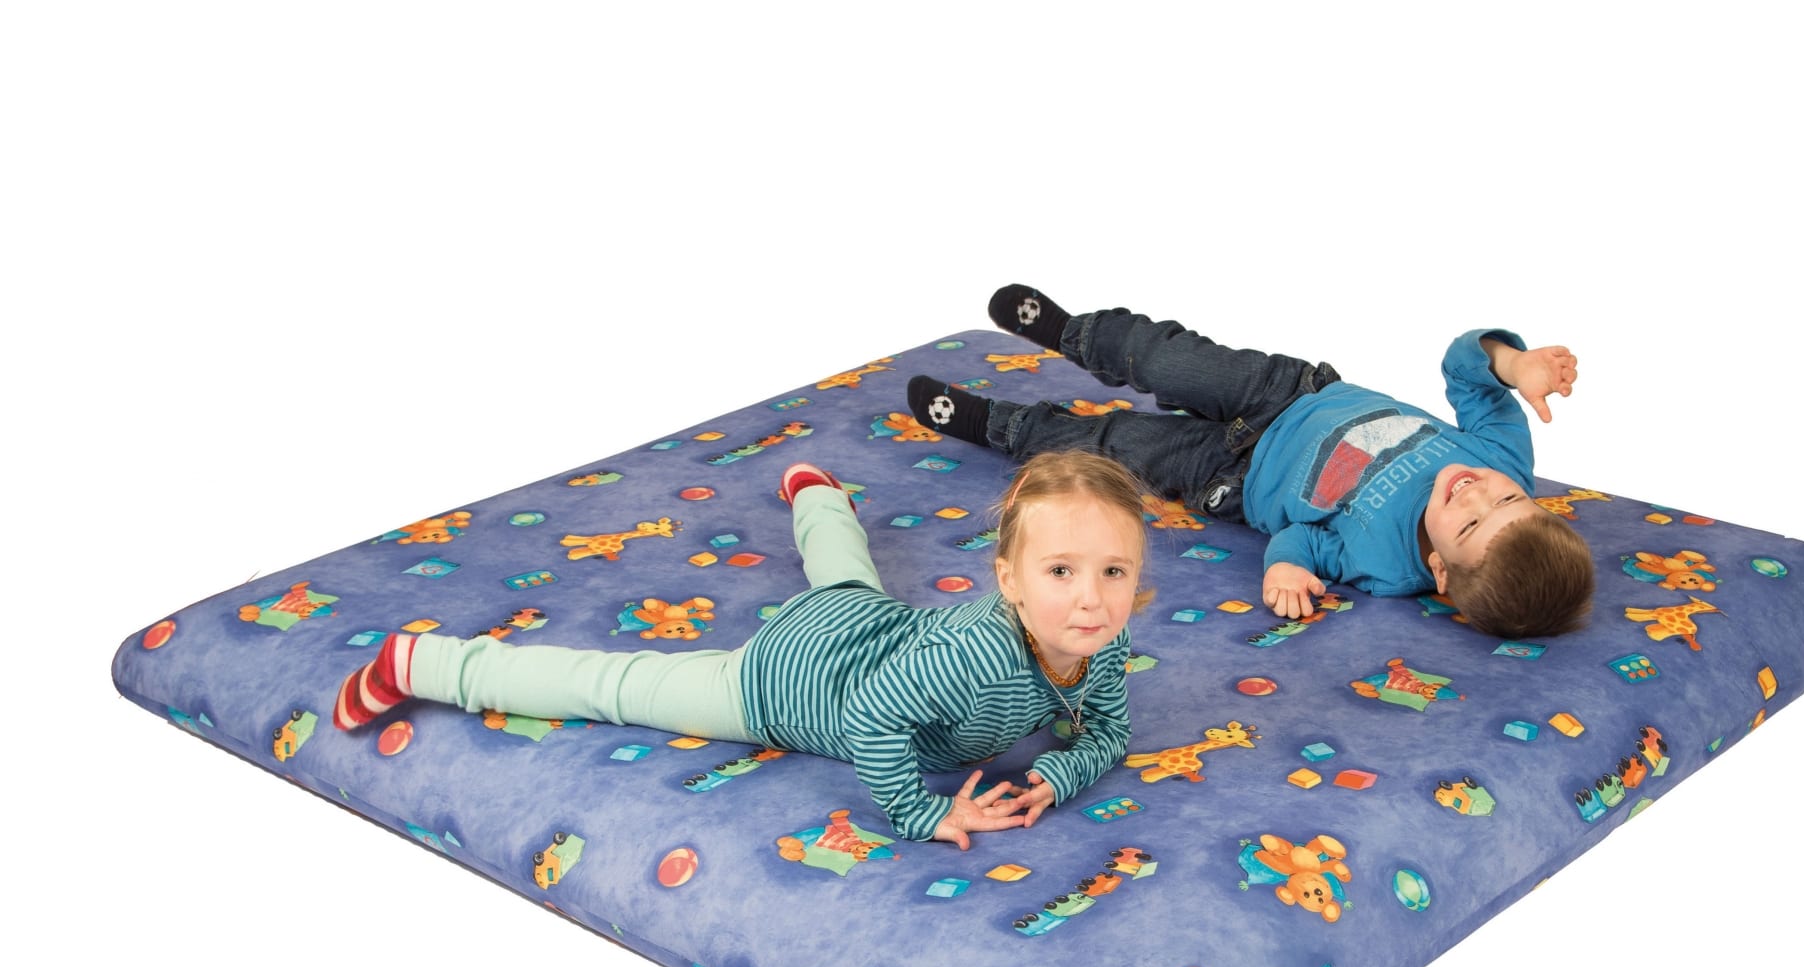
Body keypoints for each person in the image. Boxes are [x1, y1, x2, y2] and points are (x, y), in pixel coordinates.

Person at [331, 454, 1148, 849]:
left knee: (846, 580)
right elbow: (870, 716)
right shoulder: (972, 654)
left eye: (1114, 571)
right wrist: (923, 811)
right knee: (616, 686)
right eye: (1061, 571)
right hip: (788, 681)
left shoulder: (1100, 641)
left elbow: (1107, 730)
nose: (1091, 598)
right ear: (1007, 579)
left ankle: (819, 496)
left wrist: (1059, 772)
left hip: (863, 624)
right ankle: (424, 662)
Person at [907, 285, 1595, 639]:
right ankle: (1073, 332)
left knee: (1114, 448)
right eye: (1508, 500)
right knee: (1167, 358)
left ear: (1440, 571)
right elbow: (1464, 370)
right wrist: (1512, 363)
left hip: (1230, 474)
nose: (1476, 494)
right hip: (1288, 393)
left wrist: (1285, 568)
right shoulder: (1504, 454)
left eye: (1470, 524)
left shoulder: (1387, 565)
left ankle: (997, 424)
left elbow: (1306, 540)